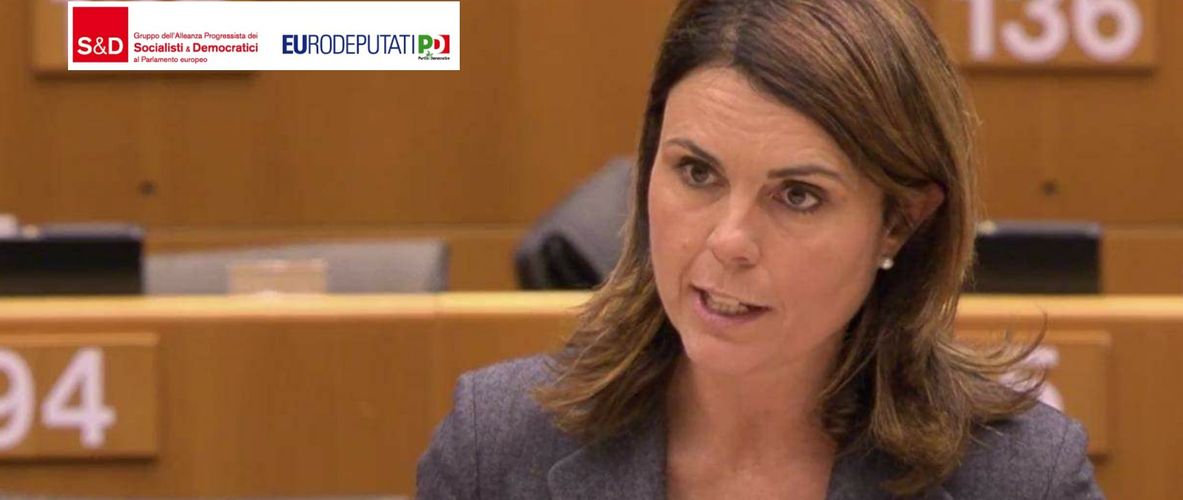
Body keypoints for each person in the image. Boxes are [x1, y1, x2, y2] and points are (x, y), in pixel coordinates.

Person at [418, 0, 1103, 498]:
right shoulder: (496, 448)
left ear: (899, 221)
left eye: (797, 195)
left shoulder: (1021, 479)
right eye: (697, 172)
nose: (729, 241)